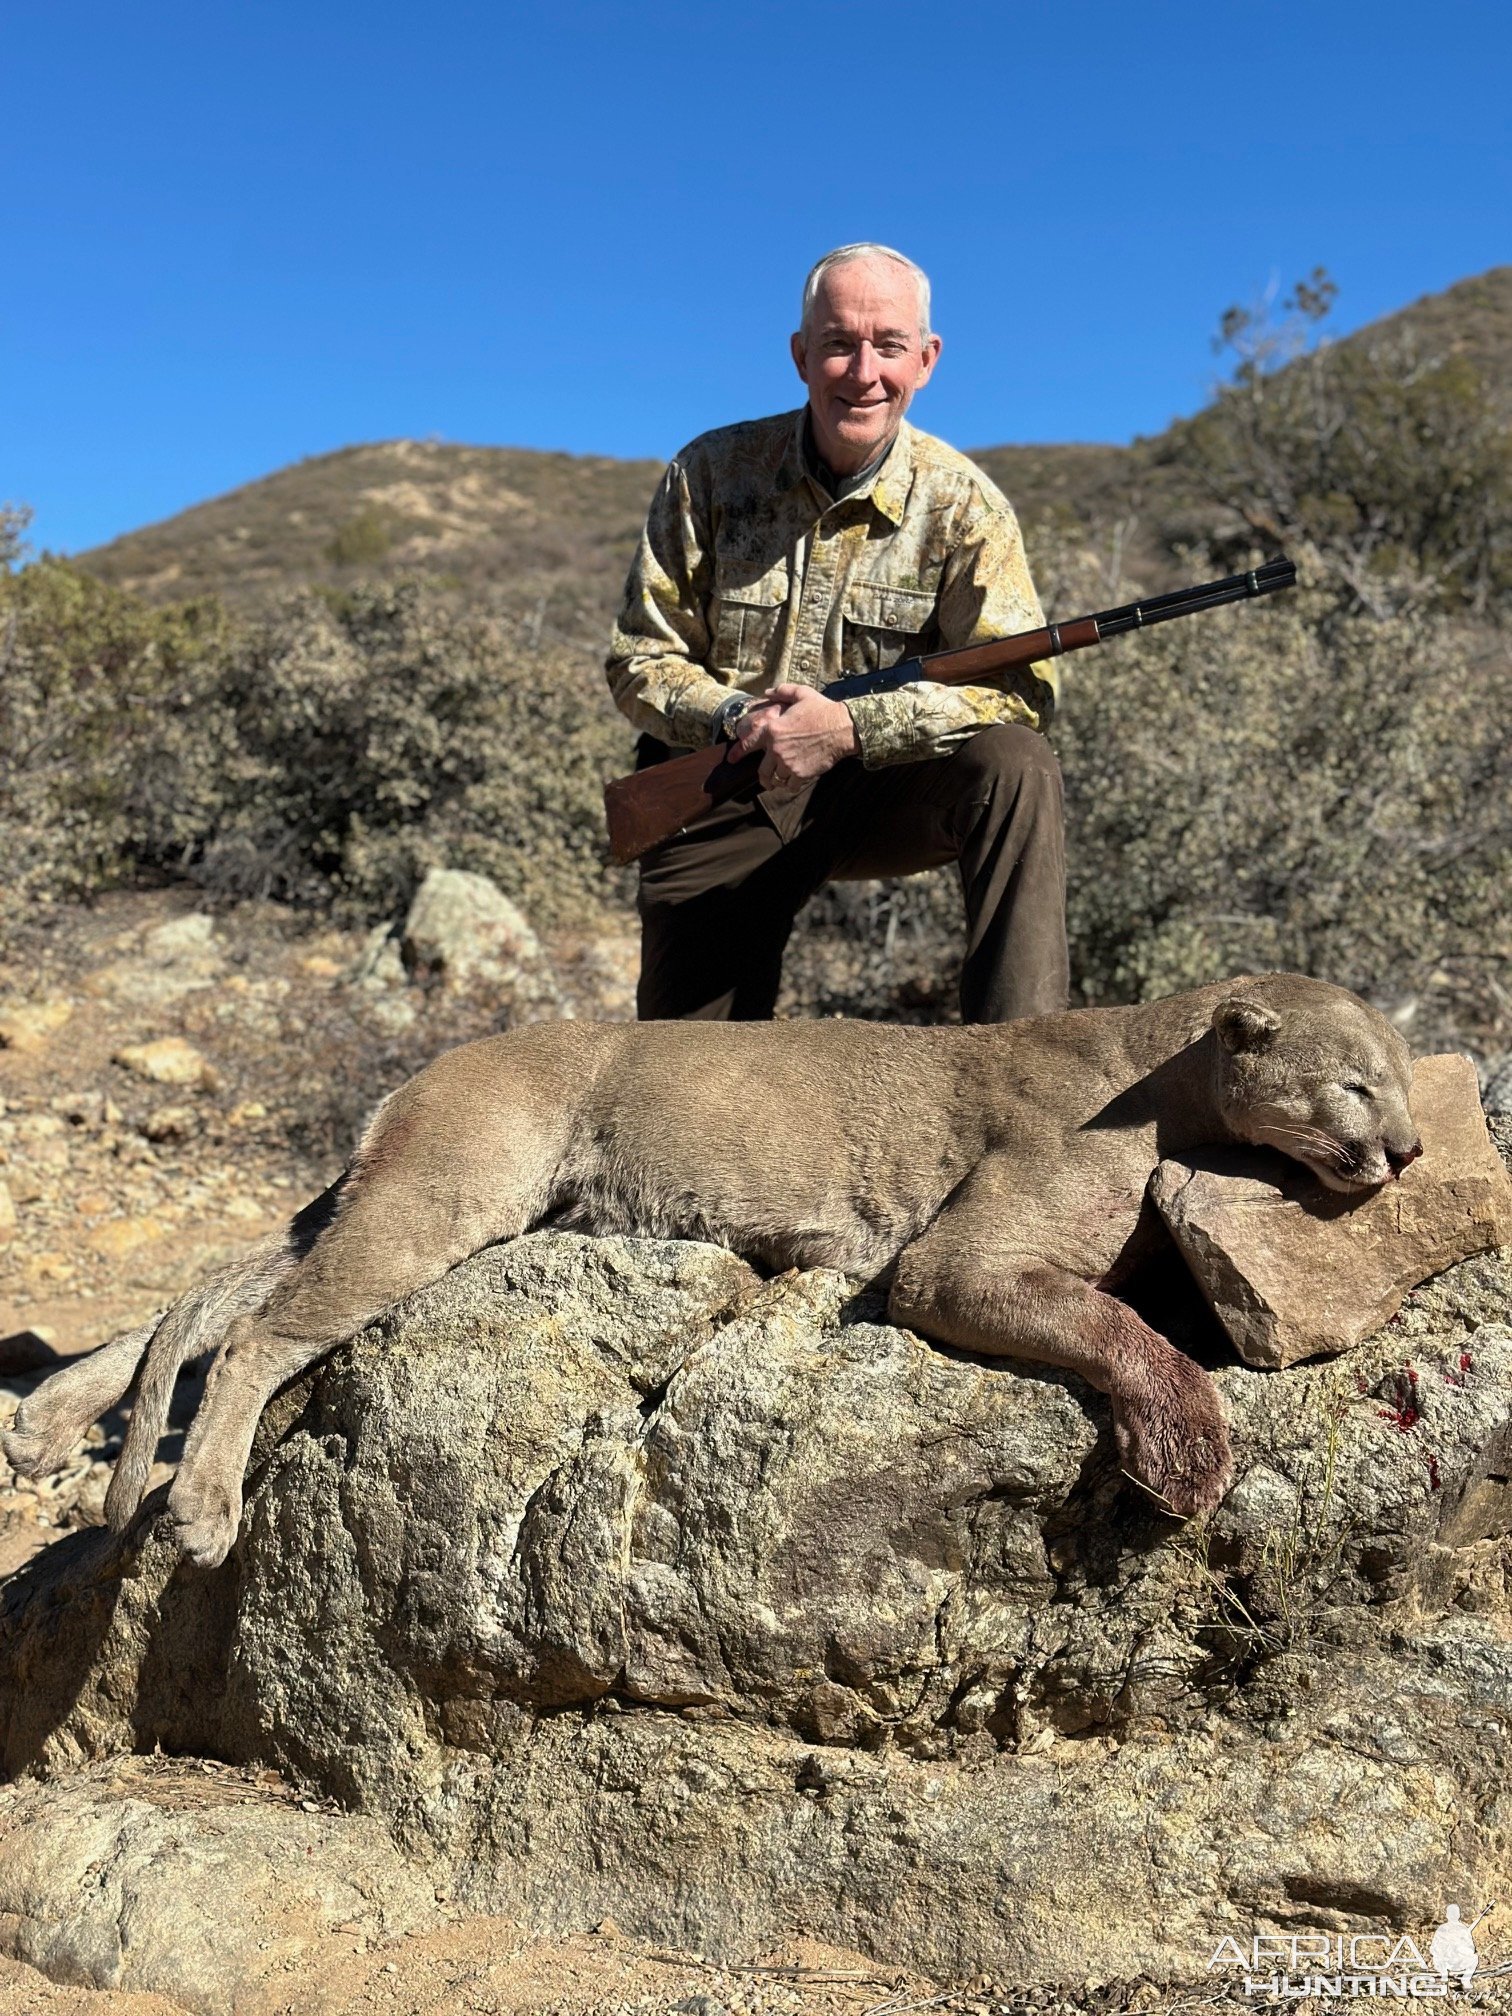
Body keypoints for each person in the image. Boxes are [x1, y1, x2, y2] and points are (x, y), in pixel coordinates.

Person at [605, 242, 1069, 1023]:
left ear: (926, 360)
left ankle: (1024, 1069)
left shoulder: (965, 505)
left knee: (1017, 766)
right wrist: (738, 719)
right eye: (838, 345)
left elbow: (1017, 690)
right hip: (726, 785)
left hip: (882, 790)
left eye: (888, 346)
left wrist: (852, 728)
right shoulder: (710, 475)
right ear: (799, 355)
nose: (863, 373)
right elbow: (641, 658)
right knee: (682, 1082)